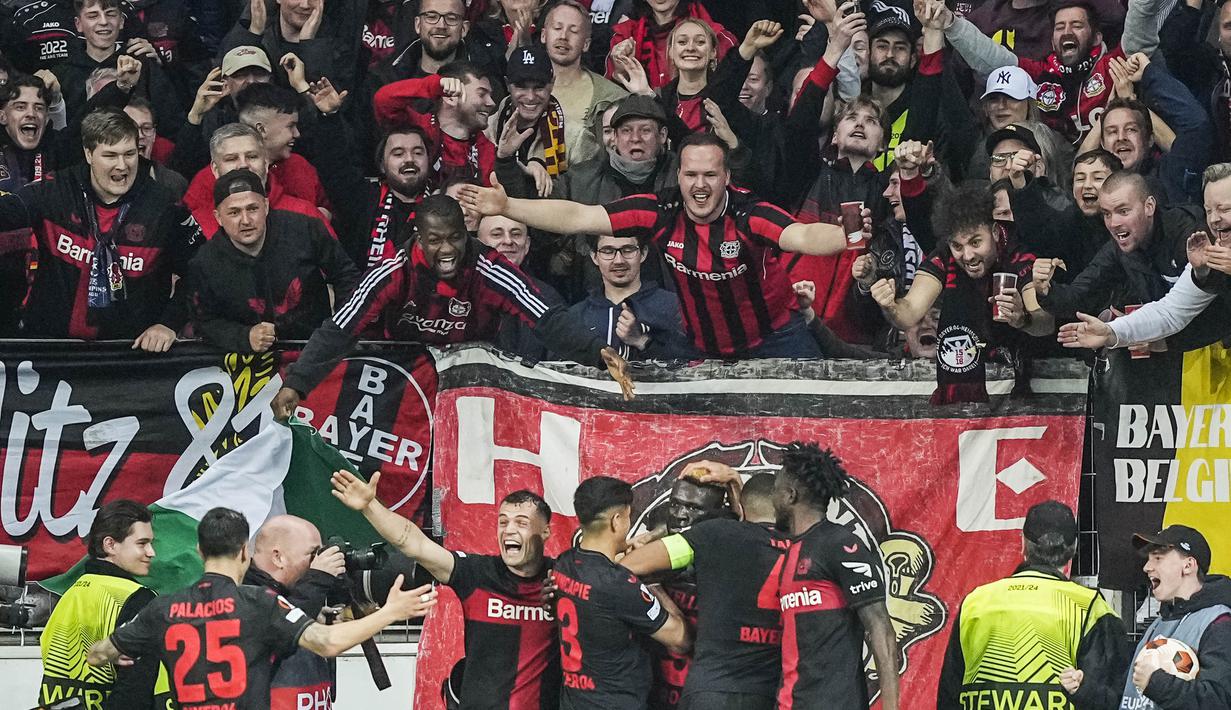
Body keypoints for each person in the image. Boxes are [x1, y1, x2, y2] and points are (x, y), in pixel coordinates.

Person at [461, 132, 863, 359]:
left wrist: (846, 235)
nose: (700, 185)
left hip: (778, 340)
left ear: (726, 177)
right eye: (691, 174)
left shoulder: (748, 213)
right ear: (679, 174)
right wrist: (509, 205)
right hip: (703, 348)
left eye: (710, 174)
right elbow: (579, 217)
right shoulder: (660, 210)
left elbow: (805, 236)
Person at [269, 194, 635, 420]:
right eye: (435, 240)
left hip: (466, 387)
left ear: (467, 233)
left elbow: (545, 316)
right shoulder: (392, 273)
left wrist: (596, 351)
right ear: (419, 238)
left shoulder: (490, 269)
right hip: (401, 385)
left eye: (455, 237)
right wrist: (298, 385)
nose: (447, 250)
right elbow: (340, 328)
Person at [86, 507, 438, 707]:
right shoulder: (260, 603)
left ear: (199, 552)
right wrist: (389, 612)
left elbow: (97, 655)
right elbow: (327, 642)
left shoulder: (162, 609)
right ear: (243, 552)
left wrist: (117, 651)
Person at [331, 471, 561, 709]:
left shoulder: (563, 579)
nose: (509, 530)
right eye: (503, 522)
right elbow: (414, 543)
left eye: (521, 523)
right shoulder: (477, 573)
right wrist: (370, 507)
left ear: (545, 532)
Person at [0, 107, 203, 349]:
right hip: (50, 350)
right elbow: (8, 212)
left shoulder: (165, 205)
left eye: (129, 154)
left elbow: (202, 271)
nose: (122, 166)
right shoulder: (55, 190)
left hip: (128, 356)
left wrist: (168, 323)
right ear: (88, 153)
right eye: (110, 155)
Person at [936, 501, 1130, 710]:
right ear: (1073, 549)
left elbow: (949, 695)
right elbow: (1110, 699)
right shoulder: (1090, 608)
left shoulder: (976, 603)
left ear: (1023, 544)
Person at [622, 468, 788, 710]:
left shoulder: (716, 535)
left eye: (694, 508)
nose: (681, 516)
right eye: (676, 505)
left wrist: (651, 580)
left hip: (711, 691)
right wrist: (734, 481)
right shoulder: (805, 545)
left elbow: (628, 566)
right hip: (768, 692)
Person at [770, 443, 900, 710]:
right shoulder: (790, 549)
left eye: (775, 491)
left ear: (790, 496)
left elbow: (881, 628)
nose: (771, 499)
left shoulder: (840, 543)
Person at [927, 0, 1157, 144]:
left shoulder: (1114, 66)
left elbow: (1139, 29)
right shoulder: (1041, 74)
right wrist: (951, 23)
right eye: (1059, 27)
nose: (1067, 32)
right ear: (1052, 38)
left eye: (1076, 25)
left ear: (1097, 36)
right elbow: (992, 58)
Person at [551, 476, 692, 709]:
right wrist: (652, 581)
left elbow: (599, 570)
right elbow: (680, 640)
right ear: (616, 521)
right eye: (628, 517)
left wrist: (629, 548)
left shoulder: (563, 565)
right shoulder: (619, 585)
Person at [1057, 163, 1231, 350]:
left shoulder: (1183, 229)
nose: (1214, 220)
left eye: (1225, 209)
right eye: (1209, 210)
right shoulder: (1214, 254)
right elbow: (1169, 312)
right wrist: (1111, 331)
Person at [186, 169, 361, 353]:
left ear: (266, 206)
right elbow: (203, 321)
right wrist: (243, 336)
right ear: (218, 218)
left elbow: (346, 275)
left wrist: (340, 328)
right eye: (234, 212)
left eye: (252, 209)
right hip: (246, 359)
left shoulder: (305, 229)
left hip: (315, 350)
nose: (245, 220)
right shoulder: (204, 262)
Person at [38, 500, 172, 710]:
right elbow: (135, 690)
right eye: (142, 543)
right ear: (109, 545)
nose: (151, 552)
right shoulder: (137, 599)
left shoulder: (70, 595)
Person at [1116, 526, 1231, 709]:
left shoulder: (1219, 623)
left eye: (1158, 558)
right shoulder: (1158, 623)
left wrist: (1156, 683)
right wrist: (1084, 690)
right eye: (1148, 559)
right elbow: (1129, 697)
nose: (1147, 567)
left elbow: (1218, 700)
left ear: (1188, 566)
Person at [244, 515, 345, 710]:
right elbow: (280, 630)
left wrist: (314, 619)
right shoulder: (246, 595)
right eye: (313, 554)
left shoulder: (297, 597)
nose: (319, 562)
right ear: (278, 557)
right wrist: (318, 579)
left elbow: (288, 611)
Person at [184, 121, 331, 239]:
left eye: (252, 156)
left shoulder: (305, 214)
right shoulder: (197, 224)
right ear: (215, 170)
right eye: (231, 159)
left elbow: (342, 273)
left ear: (266, 163)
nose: (243, 165)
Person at [567, 233, 694, 360]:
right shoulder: (576, 317)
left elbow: (696, 364)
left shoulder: (675, 307)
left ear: (643, 254)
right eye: (608, 251)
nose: (618, 260)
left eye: (628, 250)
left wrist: (641, 341)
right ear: (594, 256)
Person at [373, 60, 498, 187]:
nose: (491, 103)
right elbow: (384, 100)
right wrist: (433, 85)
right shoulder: (416, 129)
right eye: (482, 94)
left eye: (490, 95)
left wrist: (506, 159)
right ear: (450, 97)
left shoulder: (484, 148)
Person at [542, 0, 628, 166]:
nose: (563, 37)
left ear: (586, 44)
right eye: (557, 28)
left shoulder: (612, 97)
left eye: (573, 31)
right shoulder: (523, 91)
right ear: (543, 35)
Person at [489, 44, 567, 199]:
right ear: (507, 85)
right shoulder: (486, 129)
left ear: (551, 84)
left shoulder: (575, 136)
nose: (530, 97)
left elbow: (579, 196)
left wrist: (540, 163)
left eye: (538, 87)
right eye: (521, 87)